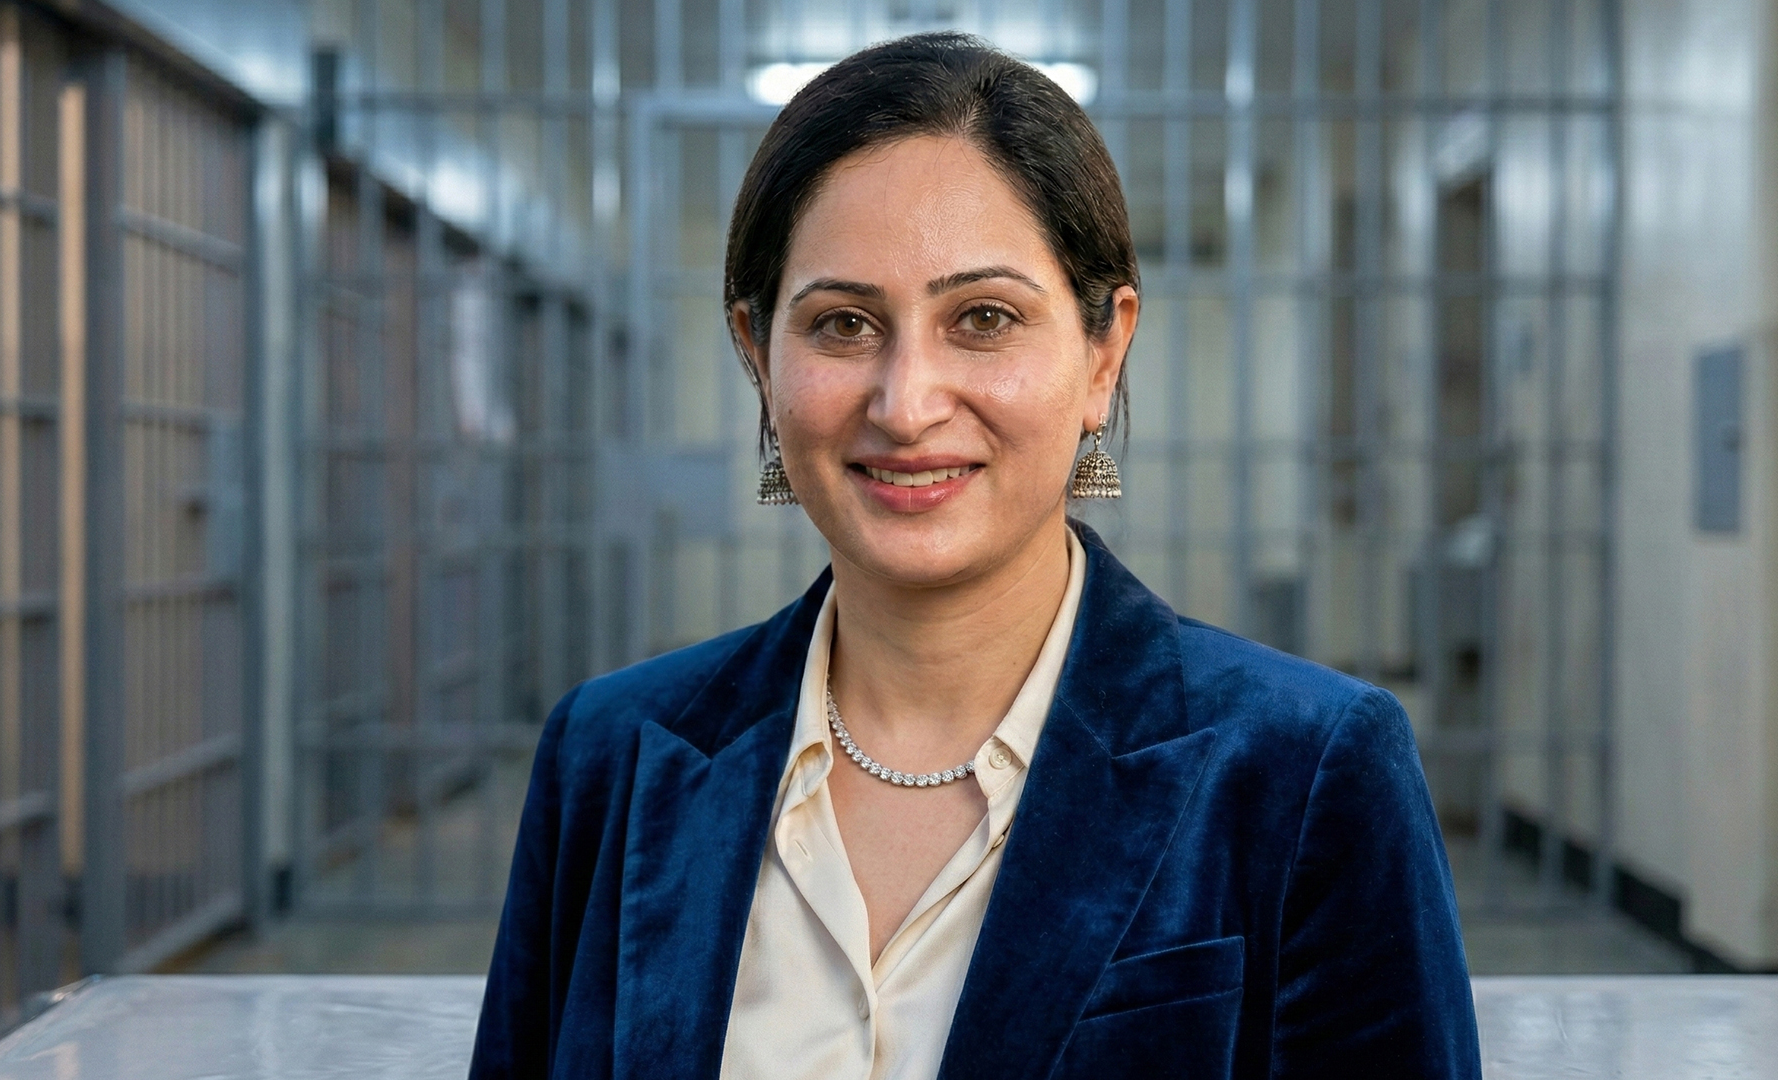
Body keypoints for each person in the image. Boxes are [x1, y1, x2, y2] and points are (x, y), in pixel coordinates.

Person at [470, 31, 1480, 1080]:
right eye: (844, 323)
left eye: (984, 317)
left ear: (1104, 352)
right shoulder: (613, 755)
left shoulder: (1305, 772)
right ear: (756, 356)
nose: (906, 404)